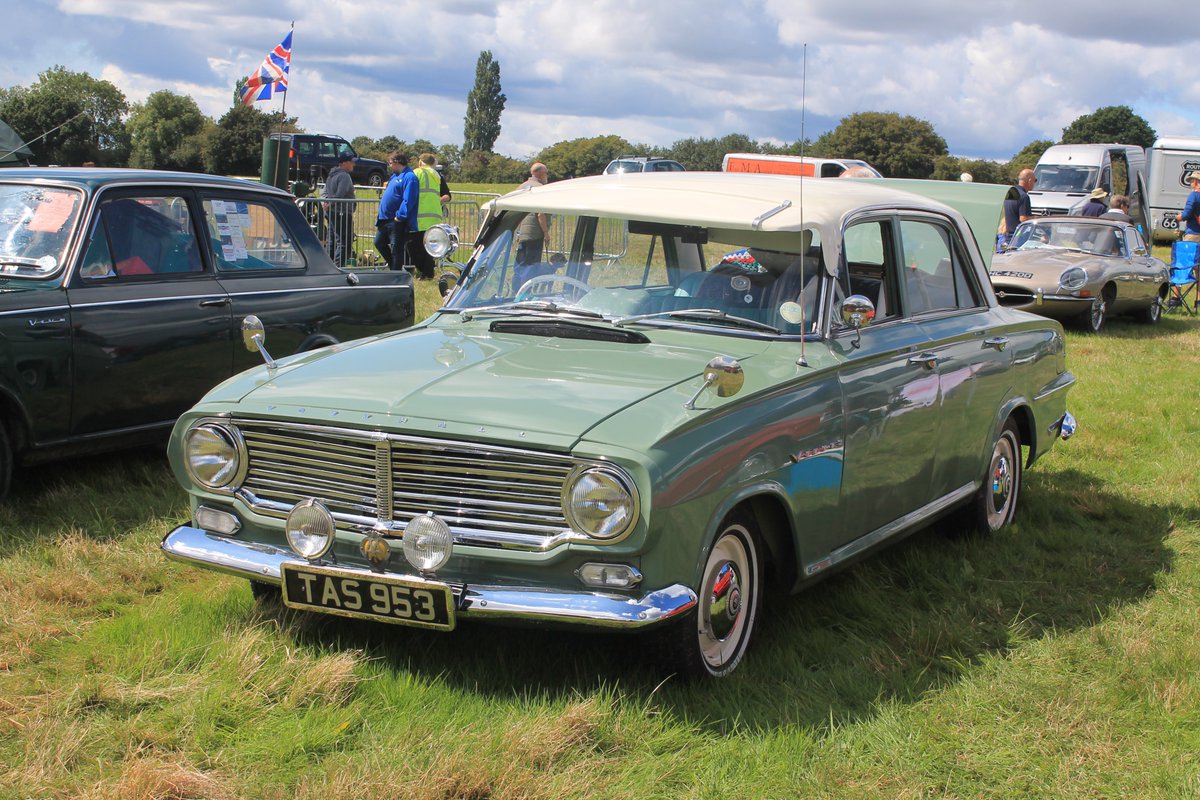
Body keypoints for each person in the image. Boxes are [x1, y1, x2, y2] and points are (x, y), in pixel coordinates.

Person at [375, 152, 418, 271]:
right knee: (379, 243)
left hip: (396, 220)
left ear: (397, 162)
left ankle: (396, 273)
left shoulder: (410, 177)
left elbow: (409, 199)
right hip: (384, 219)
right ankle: (394, 267)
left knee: (396, 249)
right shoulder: (394, 176)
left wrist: (400, 216)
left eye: (390, 163)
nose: (389, 166)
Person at [407, 153, 445, 280]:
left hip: (420, 216)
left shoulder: (417, 173)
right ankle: (427, 273)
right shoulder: (436, 175)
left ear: (420, 162)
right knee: (428, 247)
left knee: (414, 246)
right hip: (434, 215)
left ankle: (425, 272)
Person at [322, 152, 357, 267]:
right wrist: (330, 204)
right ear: (344, 163)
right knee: (344, 242)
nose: (353, 164)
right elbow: (340, 194)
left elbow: (325, 192)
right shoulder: (344, 176)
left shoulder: (331, 175)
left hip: (332, 212)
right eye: (351, 162)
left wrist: (326, 203)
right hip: (342, 212)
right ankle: (338, 267)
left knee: (332, 240)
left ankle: (328, 266)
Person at [515, 162, 550, 265]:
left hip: (521, 233)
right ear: (541, 173)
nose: (547, 176)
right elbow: (540, 214)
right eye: (546, 173)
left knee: (520, 264)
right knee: (532, 265)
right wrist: (546, 232)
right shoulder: (540, 189)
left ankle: (517, 281)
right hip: (535, 233)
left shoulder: (521, 187)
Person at [1001, 169, 1036, 248]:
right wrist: (1036, 218)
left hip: (1008, 237)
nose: (1034, 183)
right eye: (1035, 180)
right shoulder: (1024, 196)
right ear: (1030, 180)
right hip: (1018, 238)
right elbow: (1023, 219)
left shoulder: (1010, 193)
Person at [1176, 171, 1200, 243]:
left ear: (1195, 181)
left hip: (1193, 233)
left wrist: (1179, 217)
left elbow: (1187, 213)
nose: (1190, 184)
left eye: (1191, 181)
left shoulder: (1194, 195)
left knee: (1190, 254)